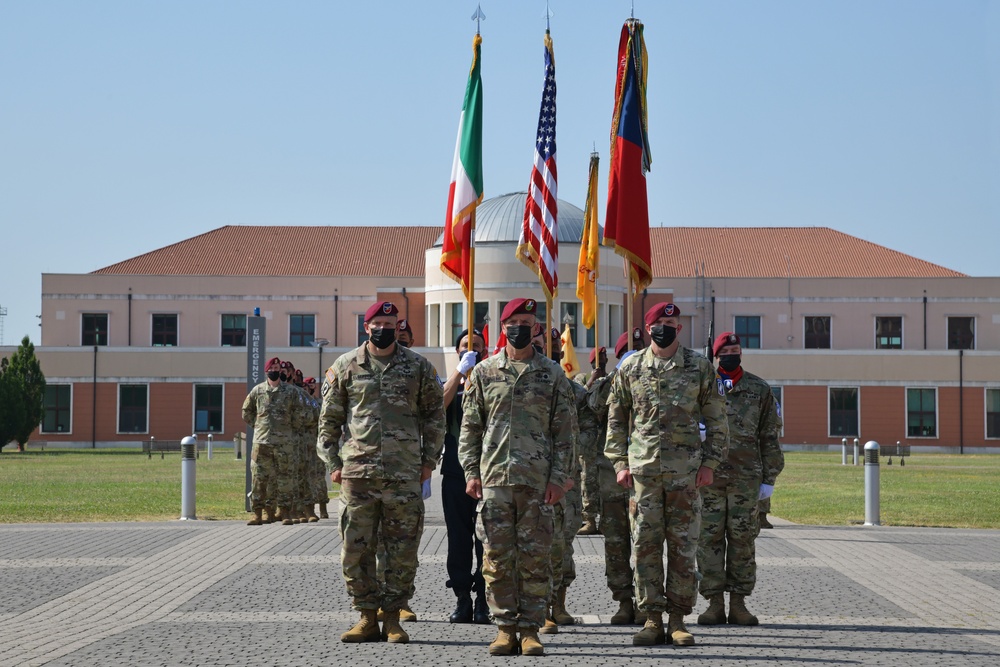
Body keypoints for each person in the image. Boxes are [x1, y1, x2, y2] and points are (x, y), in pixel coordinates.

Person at [317, 301, 445, 644]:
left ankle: (392, 618)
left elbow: (435, 417)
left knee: (402, 549)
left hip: (404, 474)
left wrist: (429, 461)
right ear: (367, 326)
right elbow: (328, 420)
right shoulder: (345, 366)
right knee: (356, 548)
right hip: (358, 474)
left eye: (391, 322)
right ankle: (366, 616)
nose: (384, 328)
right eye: (378, 322)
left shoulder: (418, 367)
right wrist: (333, 464)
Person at [606, 303, 729, 647]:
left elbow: (718, 420)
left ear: (679, 327)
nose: (665, 327)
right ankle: (651, 619)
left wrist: (709, 464)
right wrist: (619, 463)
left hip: (685, 476)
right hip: (643, 474)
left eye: (671, 322)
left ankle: (677, 620)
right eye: (659, 323)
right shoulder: (630, 368)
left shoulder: (699, 367)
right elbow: (615, 420)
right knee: (644, 548)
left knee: (683, 548)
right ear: (648, 329)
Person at [459, 297, 577, 656]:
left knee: (535, 558)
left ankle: (530, 629)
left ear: (536, 329)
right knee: (496, 559)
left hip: (538, 483)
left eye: (527, 321)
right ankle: (504, 628)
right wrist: (470, 472)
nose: (520, 327)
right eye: (514, 321)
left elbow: (565, 432)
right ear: (503, 328)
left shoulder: (552, 374)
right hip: (494, 481)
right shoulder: (483, 372)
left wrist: (560, 478)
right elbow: (470, 428)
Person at [697, 332, 784, 626]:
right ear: (716, 356)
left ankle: (738, 603)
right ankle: (713, 604)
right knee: (708, 541)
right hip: (707, 478)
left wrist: (769, 478)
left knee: (743, 541)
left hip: (746, 479)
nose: (732, 354)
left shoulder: (759, 389)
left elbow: (769, 436)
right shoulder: (702, 385)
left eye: (736, 349)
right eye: (726, 351)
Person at [587, 328, 647, 623]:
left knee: (645, 541)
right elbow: (594, 406)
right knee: (616, 542)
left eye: (639, 349)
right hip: (612, 476)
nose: (634, 355)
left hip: (646, 475)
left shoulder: (652, 377)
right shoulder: (608, 382)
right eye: (628, 352)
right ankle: (624, 601)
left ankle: (647, 602)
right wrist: (614, 376)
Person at [441, 327, 489, 624]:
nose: (471, 350)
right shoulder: (450, 383)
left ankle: (484, 598)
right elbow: (435, 406)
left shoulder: (491, 380)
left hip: (488, 472)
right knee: (459, 539)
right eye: (465, 346)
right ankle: (462, 597)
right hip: (457, 472)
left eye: (478, 346)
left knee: (486, 539)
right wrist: (459, 374)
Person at [242, 357, 308, 526]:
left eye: (277, 367)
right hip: (261, 443)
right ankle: (259, 513)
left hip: (284, 443)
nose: (275, 370)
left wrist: (290, 429)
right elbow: (246, 411)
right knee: (259, 479)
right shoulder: (257, 391)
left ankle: (285, 512)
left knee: (284, 479)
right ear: (266, 371)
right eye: (272, 367)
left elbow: (300, 412)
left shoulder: (290, 392)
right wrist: (257, 426)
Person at [578, 345, 609, 535]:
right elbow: (579, 397)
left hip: (605, 437)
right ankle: (589, 519)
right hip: (587, 440)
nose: (601, 361)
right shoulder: (581, 378)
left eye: (604, 357)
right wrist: (592, 380)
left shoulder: (611, 379)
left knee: (605, 481)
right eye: (598, 358)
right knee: (587, 480)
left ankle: (606, 520)